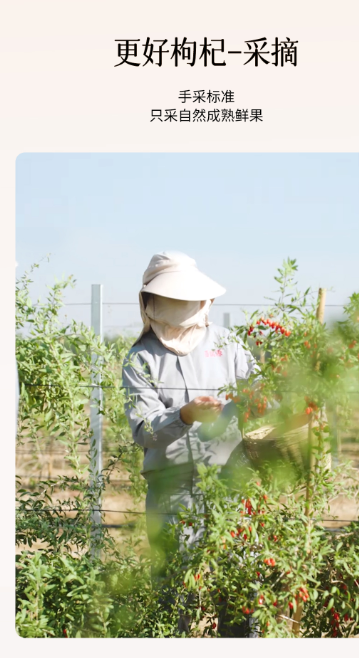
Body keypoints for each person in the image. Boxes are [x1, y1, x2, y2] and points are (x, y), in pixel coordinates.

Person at [122, 251, 259, 635]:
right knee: (172, 592)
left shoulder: (227, 343)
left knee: (238, 586)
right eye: (174, 297)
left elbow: (260, 392)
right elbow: (144, 430)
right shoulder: (140, 359)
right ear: (153, 301)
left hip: (230, 483)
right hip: (173, 489)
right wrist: (183, 415)